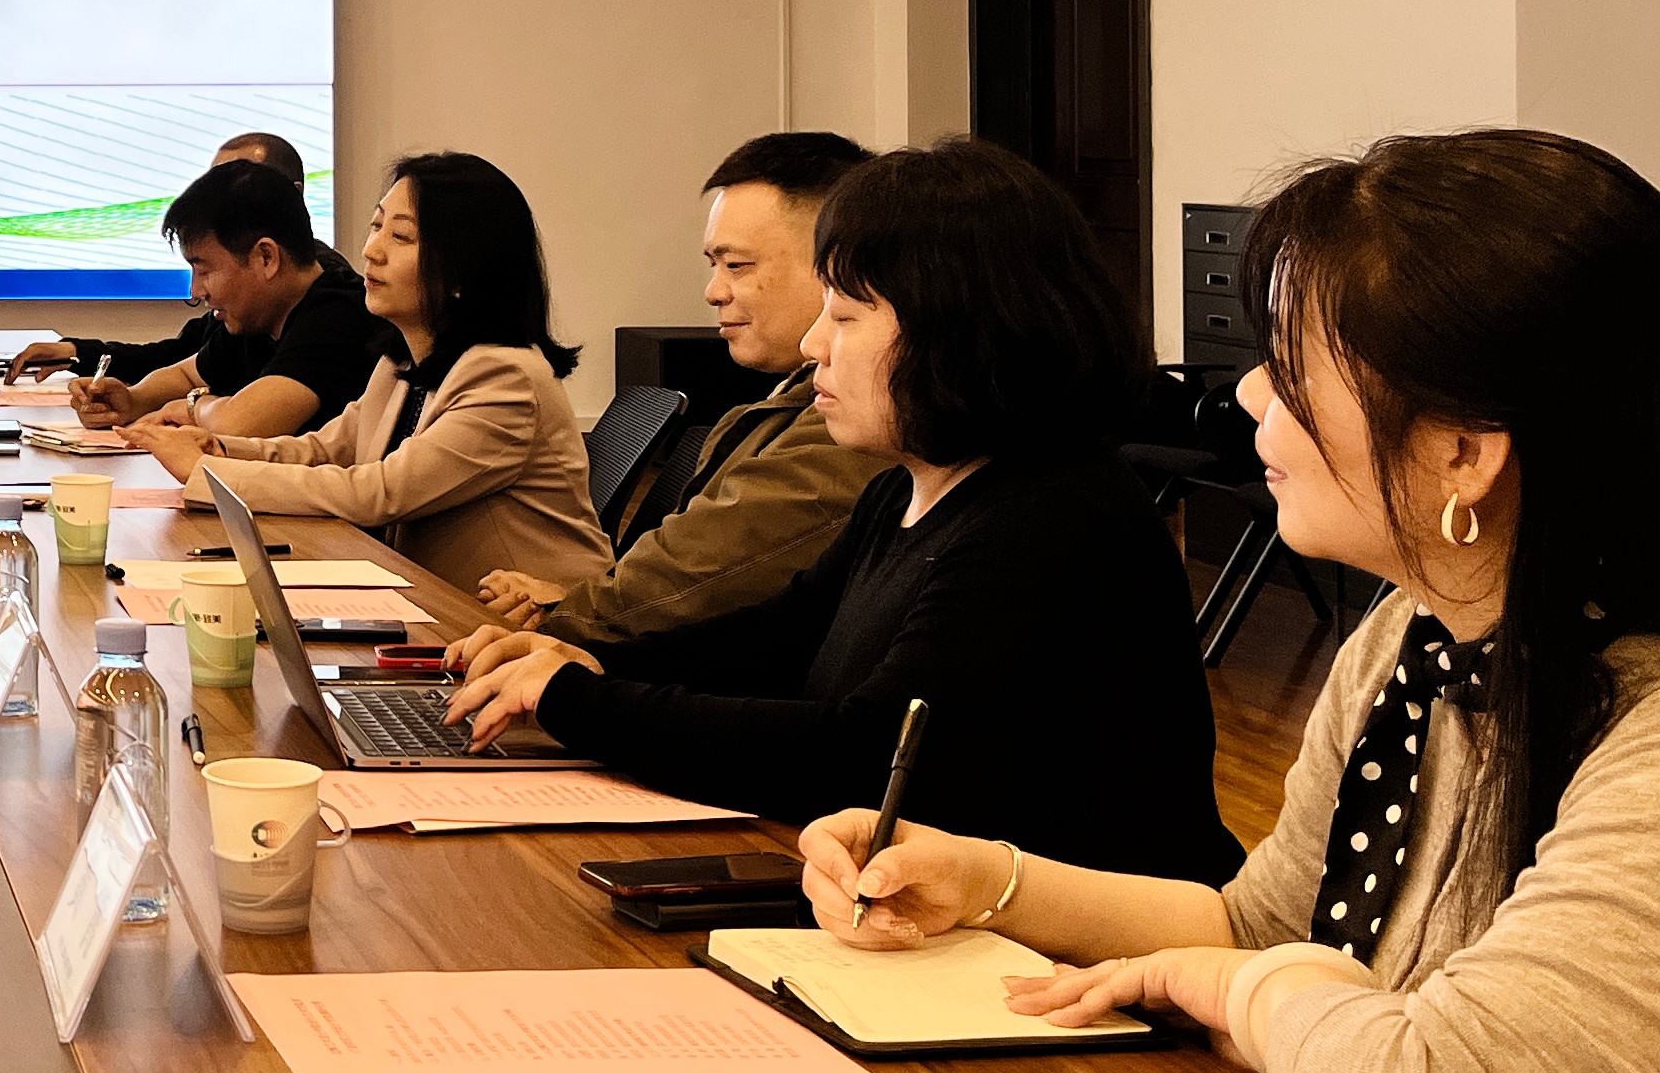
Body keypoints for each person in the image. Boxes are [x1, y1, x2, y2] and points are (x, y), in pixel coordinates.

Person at [800, 130, 1660, 1073]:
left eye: (1294, 370)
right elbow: (1268, 925)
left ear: (1465, 452)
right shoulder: (1419, 633)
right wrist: (988, 884)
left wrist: (1249, 997)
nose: (1250, 399)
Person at [450, 139, 1236, 877]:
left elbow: (866, 754)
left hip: (1081, 953)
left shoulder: (1052, 516)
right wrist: (585, 661)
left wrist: (579, 699)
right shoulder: (906, 485)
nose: (814, 344)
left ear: (958, 333)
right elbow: (776, 640)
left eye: (847, 316)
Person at [471, 130, 883, 642]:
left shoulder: (858, 425)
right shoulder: (789, 401)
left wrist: (566, 616)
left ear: (834, 269)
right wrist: (568, 601)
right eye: (714, 265)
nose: (714, 292)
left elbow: (708, 573)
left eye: (737, 266)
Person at [129, 151, 610, 586]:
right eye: (376, 226)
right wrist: (219, 448)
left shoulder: (505, 378)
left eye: (401, 236)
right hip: (437, 603)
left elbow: (380, 492)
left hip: (536, 624)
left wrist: (210, 472)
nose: (371, 250)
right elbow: (326, 450)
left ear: (465, 268)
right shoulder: (402, 361)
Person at [51, 155, 394, 441]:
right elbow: (186, 375)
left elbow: (242, 425)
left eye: (203, 270)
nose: (196, 291)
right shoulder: (259, 315)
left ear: (266, 258)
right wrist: (131, 400)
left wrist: (190, 407)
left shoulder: (340, 316)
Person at [2, 134, 347, 395]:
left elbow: (246, 419)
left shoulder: (326, 299)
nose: (216, 198)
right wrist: (96, 366)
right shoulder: (252, 308)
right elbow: (182, 360)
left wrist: (189, 407)